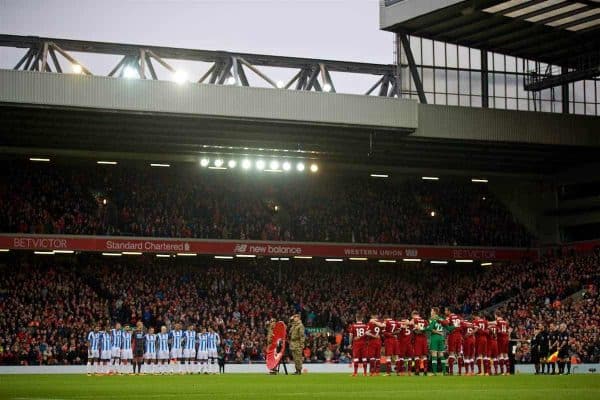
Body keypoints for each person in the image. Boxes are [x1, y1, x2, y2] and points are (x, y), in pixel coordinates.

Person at [444, 307, 463, 375]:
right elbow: (462, 325)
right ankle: (460, 371)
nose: (445, 312)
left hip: (453, 335)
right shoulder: (459, 317)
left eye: (446, 310)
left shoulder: (449, 317)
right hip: (459, 336)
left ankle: (451, 372)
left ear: (449, 311)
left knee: (451, 353)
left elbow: (445, 323)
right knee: (459, 353)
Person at [427, 307, 445, 375]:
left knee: (434, 354)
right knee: (441, 354)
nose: (430, 312)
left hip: (434, 337)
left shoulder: (431, 319)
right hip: (441, 338)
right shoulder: (441, 319)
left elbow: (431, 329)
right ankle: (444, 372)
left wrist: (438, 332)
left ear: (434, 312)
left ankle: (434, 372)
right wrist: (440, 333)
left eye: (431, 311)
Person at [411, 311, 428, 376]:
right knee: (424, 355)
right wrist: (422, 330)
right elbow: (427, 328)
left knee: (417, 355)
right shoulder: (425, 321)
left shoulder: (414, 320)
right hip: (424, 339)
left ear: (413, 315)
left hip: (417, 338)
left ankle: (417, 370)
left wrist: (417, 329)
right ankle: (425, 370)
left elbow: (415, 327)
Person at [472, 311, 489, 375]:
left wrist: (470, 334)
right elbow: (487, 330)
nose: (473, 318)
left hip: (479, 339)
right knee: (485, 355)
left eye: (473, 317)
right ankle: (486, 372)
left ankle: (480, 372)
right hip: (485, 339)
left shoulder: (475, 321)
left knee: (479, 355)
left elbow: (475, 330)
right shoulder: (485, 321)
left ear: (475, 316)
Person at [494, 311, 510, 375]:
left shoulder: (497, 322)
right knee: (506, 354)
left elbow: (497, 330)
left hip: (501, 339)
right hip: (506, 338)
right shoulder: (506, 322)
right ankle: (508, 372)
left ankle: (502, 371)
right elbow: (509, 331)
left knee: (500, 354)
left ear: (496, 315)